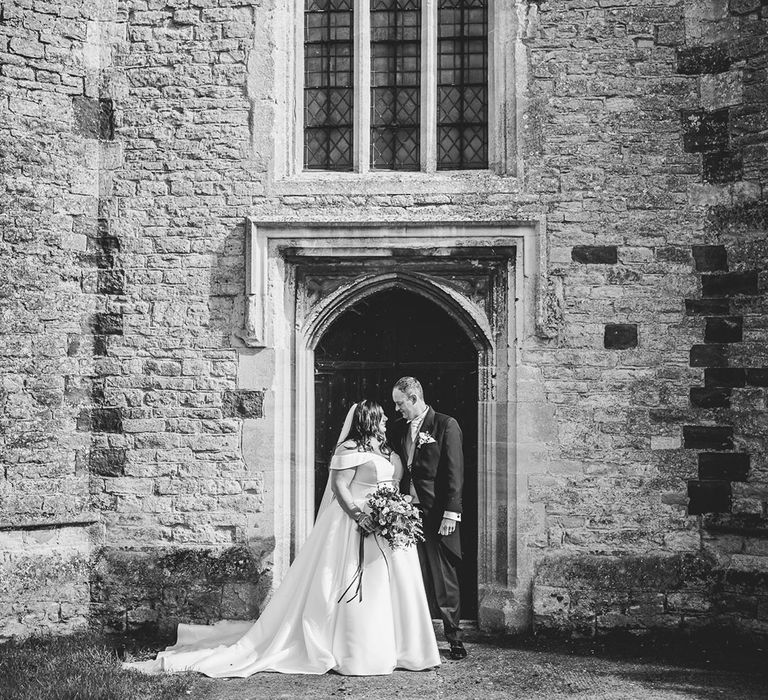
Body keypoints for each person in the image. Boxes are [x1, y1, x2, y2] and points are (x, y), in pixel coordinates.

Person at [124, 401, 440, 676]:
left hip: (385, 526)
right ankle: (354, 650)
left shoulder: (383, 450)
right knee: (344, 585)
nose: (386, 420)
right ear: (369, 419)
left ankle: (399, 647)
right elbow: (341, 489)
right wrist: (361, 515)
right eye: (381, 417)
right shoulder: (349, 450)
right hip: (353, 526)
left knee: (387, 587)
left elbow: (393, 483)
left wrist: (395, 510)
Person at [390, 377, 467, 660]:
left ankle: (454, 638)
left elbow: (454, 473)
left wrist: (451, 513)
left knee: (444, 577)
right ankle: (416, 639)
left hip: (437, 515)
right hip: (406, 514)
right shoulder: (398, 428)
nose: (397, 409)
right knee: (413, 576)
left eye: (400, 403)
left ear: (413, 398)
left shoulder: (446, 425)